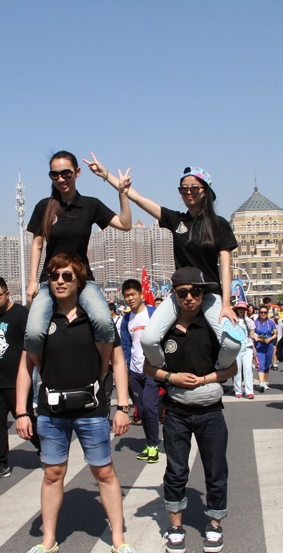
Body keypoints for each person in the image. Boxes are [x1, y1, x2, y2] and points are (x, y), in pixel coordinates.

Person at [15, 253, 135, 553]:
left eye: (67, 276)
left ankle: (118, 538)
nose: (60, 281)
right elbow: (25, 368)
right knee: (53, 473)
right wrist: (21, 411)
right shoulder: (41, 322)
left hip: (91, 408)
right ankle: (48, 540)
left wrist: (122, 406)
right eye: (55, 276)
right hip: (51, 411)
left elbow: (118, 362)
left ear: (79, 281)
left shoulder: (97, 321)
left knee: (104, 472)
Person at [85, 155, 241, 372]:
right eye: (183, 188)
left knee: (233, 343)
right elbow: (137, 198)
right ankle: (164, 368)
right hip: (180, 293)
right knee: (148, 340)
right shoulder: (177, 220)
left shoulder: (219, 224)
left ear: (205, 191)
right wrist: (106, 176)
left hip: (210, 294)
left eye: (194, 188)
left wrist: (226, 304)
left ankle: (216, 369)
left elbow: (225, 265)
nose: (188, 192)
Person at [143, 267, 237, 553]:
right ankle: (175, 526)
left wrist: (205, 379)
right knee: (176, 470)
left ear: (202, 293)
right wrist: (172, 378)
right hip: (176, 411)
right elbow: (149, 368)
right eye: (182, 292)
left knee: (216, 470)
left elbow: (230, 368)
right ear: (174, 294)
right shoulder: (164, 331)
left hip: (211, 411)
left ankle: (214, 524)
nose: (190, 297)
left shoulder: (212, 326)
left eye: (195, 291)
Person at [23, 151, 132, 379]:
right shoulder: (45, 206)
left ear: (77, 173)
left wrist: (122, 193)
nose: (61, 179)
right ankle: (47, 374)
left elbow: (125, 224)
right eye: (55, 175)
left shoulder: (90, 205)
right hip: (50, 281)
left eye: (66, 173)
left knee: (104, 323)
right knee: (32, 334)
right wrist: (33, 281)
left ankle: (100, 372)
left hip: (83, 281)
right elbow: (37, 245)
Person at [0, 277, 41, 481]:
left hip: (17, 382)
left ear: (7, 294)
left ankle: (45, 449)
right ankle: (0, 464)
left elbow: (31, 345)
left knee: (27, 419)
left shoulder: (21, 314)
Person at [120, 279, 159, 463]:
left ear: (141, 294)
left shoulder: (153, 313)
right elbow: (125, 345)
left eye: (133, 294)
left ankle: (154, 446)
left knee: (150, 407)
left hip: (151, 369)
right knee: (141, 410)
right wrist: (127, 368)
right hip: (135, 370)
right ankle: (150, 444)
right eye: (126, 295)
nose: (130, 298)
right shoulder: (126, 319)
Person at [232, 302, 256, 399]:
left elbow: (252, 332)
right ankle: (238, 390)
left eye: (243, 309)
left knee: (247, 369)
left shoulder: (248, 320)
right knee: (237, 370)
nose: (241, 310)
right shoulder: (232, 320)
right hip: (237, 347)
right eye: (239, 308)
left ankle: (249, 391)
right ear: (236, 310)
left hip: (247, 347)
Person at [254, 305, 277, 392]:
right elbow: (252, 334)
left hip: (269, 345)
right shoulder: (255, 323)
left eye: (265, 312)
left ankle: (264, 382)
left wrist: (270, 339)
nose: (263, 314)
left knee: (267, 365)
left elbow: (275, 333)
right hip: (259, 346)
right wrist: (259, 339)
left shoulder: (271, 322)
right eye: (261, 312)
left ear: (267, 313)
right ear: (259, 313)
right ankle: (261, 384)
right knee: (260, 365)